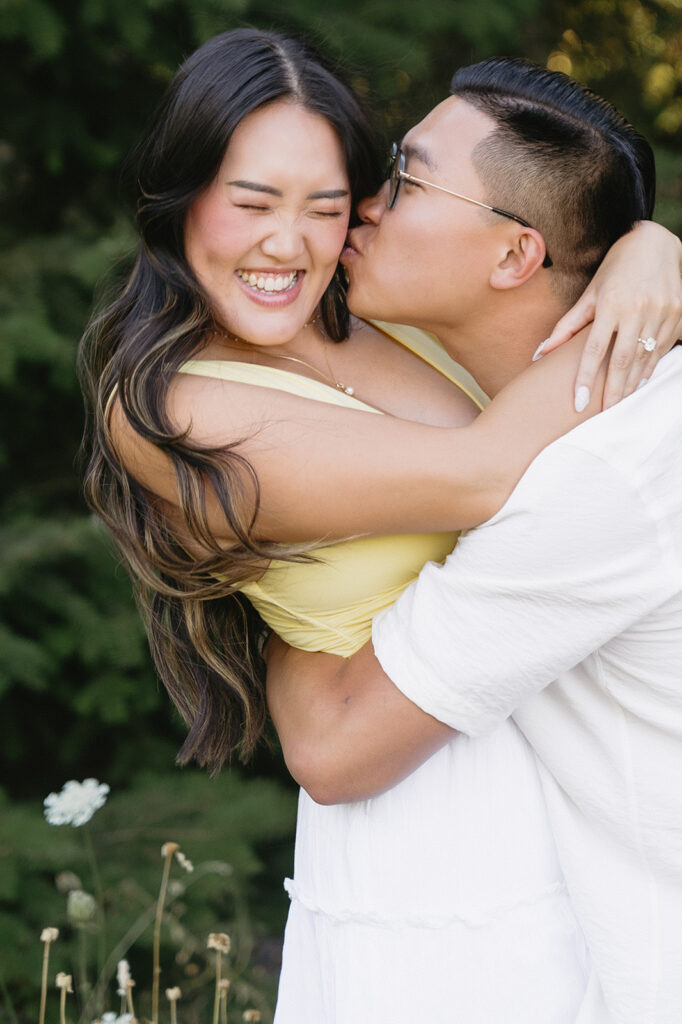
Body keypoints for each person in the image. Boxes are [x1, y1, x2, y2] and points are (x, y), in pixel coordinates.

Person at [76, 29, 682, 1022]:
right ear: (181, 192)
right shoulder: (169, 407)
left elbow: (525, 277)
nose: (295, 240)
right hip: (414, 803)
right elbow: (485, 474)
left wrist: (642, 249)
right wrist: (638, 287)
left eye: (328, 201)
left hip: (549, 781)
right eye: (250, 199)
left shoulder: (377, 302)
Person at [266, 58, 682, 1022]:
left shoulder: (605, 475)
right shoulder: (498, 389)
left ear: (513, 258)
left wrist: (264, 566)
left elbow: (336, 751)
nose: (364, 203)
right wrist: (652, 241)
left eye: (407, 180)